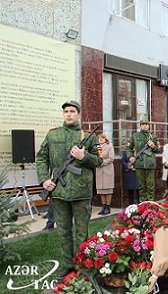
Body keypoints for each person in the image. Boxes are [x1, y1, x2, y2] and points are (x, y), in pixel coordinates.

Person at [36, 100, 102, 278]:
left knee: (82, 231)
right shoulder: (52, 135)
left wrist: (84, 156)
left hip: (81, 192)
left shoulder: (88, 136)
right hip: (58, 192)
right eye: (66, 111)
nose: (69, 114)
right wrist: (44, 180)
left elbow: (99, 161)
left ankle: (82, 265)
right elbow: (41, 158)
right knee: (64, 231)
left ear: (79, 114)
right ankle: (68, 265)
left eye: (72, 111)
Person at [128, 118, 160, 201]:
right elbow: (128, 148)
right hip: (139, 164)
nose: (145, 126)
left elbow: (158, 150)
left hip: (150, 164)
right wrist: (130, 156)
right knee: (141, 186)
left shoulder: (153, 137)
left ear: (149, 126)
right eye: (143, 124)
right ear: (140, 126)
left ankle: (150, 205)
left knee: (150, 186)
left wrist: (153, 146)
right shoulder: (135, 136)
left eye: (146, 124)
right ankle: (143, 204)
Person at [95, 132, 115, 215]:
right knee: (101, 190)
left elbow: (111, 158)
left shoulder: (109, 146)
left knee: (108, 189)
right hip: (99, 171)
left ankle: (108, 206)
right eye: (99, 138)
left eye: (102, 138)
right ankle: (103, 206)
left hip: (107, 169)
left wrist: (101, 163)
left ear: (105, 139)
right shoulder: (96, 147)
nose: (100, 139)